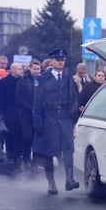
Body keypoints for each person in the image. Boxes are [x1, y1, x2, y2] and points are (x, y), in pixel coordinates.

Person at [33, 48, 80, 194]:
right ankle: (51, 182)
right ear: (52, 61)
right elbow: (37, 102)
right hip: (49, 117)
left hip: (65, 117)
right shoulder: (43, 79)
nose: (61, 62)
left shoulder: (68, 79)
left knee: (68, 150)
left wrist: (74, 111)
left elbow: (75, 98)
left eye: (62, 60)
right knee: (48, 152)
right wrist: (38, 122)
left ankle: (69, 179)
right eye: (58, 60)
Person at [16, 59, 42, 173]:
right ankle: (26, 158)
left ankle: (35, 162)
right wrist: (30, 108)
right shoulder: (23, 81)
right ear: (30, 68)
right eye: (35, 69)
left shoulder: (42, 81)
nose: (37, 71)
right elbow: (18, 98)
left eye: (38, 69)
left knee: (37, 139)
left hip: (39, 114)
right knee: (27, 137)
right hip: (26, 114)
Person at [0, 62, 23, 165]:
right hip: (9, 111)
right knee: (10, 133)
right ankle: (11, 154)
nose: (20, 71)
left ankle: (18, 153)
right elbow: (0, 98)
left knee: (20, 133)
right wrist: (0, 113)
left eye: (21, 69)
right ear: (12, 70)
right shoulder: (4, 82)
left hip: (21, 111)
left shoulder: (23, 81)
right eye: (18, 69)